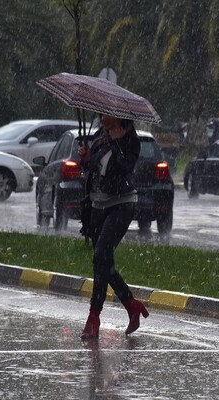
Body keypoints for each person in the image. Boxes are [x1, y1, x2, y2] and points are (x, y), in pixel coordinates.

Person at [77, 114, 149, 339]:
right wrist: (86, 157)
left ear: (118, 116)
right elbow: (94, 169)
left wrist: (118, 142)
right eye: (100, 115)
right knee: (103, 261)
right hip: (98, 205)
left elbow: (125, 167)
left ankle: (93, 318)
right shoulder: (100, 136)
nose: (101, 119)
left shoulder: (131, 140)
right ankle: (131, 304)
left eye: (105, 115)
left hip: (122, 204)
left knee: (101, 255)